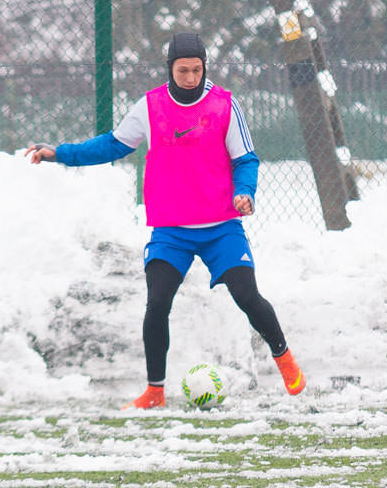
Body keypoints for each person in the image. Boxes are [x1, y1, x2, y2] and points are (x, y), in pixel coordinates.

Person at [26, 32, 306, 408]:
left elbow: (246, 160)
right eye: (182, 70)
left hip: (221, 227)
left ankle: (284, 359)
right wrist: (60, 153)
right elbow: (112, 144)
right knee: (157, 304)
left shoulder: (224, 105)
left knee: (247, 297)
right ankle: (155, 390)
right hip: (171, 229)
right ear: (170, 69)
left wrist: (246, 192)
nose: (190, 77)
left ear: (204, 67)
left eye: (196, 69)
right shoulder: (150, 106)